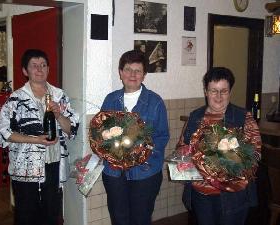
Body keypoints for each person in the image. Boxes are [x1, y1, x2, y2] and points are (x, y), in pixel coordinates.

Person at [0, 49, 80, 225]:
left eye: (43, 65)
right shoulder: (15, 99)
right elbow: (2, 133)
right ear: (25, 71)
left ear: (48, 69)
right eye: (34, 66)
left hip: (54, 165)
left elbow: (71, 130)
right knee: (26, 216)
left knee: (51, 215)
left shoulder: (59, 96)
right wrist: (35, 140)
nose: (39, 69)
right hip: (25, 169)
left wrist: (58, 115)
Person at [180, 67, 261, 225]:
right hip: (201, 195)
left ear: (230, 92)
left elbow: (255, 155)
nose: (218, 96)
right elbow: (182, 146)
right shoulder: (195, 117)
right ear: (206, 91)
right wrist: (184, 159)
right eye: (213, 91)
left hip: (233, 197)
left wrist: (229, 165)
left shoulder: (243, 117)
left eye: (223, 91)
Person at [101, 50, 170, 225]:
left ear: (144, 75)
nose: (132, 74)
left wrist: (141, 152)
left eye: (138, 70)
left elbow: (162, 137)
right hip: (114, 173)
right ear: (120, 72)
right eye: (128, 69)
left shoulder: (155, 102)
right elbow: (100, 133)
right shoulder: (110, 100)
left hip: (145, 173)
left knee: (140, 219)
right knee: (119, 219)